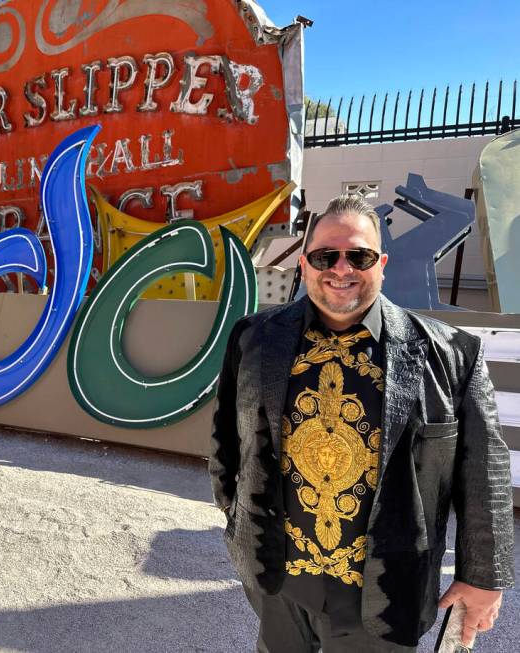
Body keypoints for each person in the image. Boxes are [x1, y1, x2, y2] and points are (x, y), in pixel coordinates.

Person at [209, 195, 514, 652]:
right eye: (325, 256)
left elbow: (484, 475)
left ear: (382, 263)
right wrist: (236, 518)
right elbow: (225, 443)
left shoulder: (452, 355)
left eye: (359, 255)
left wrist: (484, 577)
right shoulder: (253, 337)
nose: (341, 268)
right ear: (306, 265)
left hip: (385, 592)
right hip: (278, 583)